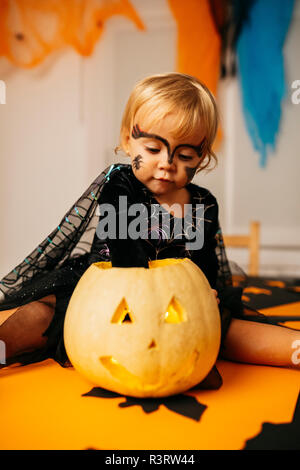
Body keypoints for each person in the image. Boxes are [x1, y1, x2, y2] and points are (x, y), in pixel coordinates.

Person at [0, 73, 299, 377]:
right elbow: (124, 253)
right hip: (107, 303)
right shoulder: (120, 185)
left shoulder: (202, 205)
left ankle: (294, 349)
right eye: (154, 150)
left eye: (184, 155)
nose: (167, 163)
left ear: (202, 157)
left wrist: (205, 293)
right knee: (38, 316)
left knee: (229, 331)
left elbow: (205, 264)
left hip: (176, 310)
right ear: (128, 141)